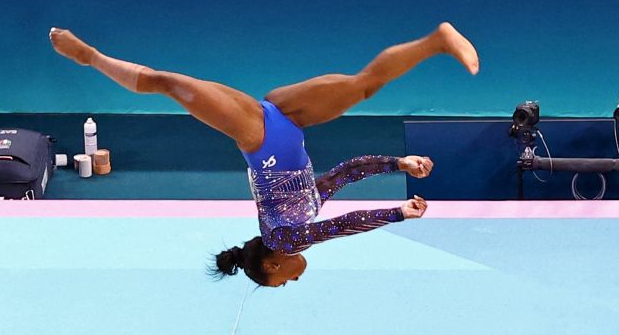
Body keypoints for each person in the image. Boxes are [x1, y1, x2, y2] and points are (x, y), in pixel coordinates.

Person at [49, 23, 478, 287]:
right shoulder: (302, 214)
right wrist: (398, 163)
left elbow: (348, 225)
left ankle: (89, 57)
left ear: (272, 265)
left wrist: (400, 214)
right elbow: (346, 173)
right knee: (363, 86)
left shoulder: (283, 239)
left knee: (166, 83)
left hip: (255, 133)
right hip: (287, 118)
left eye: (281, 283)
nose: (292, 280)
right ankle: (437, 41)